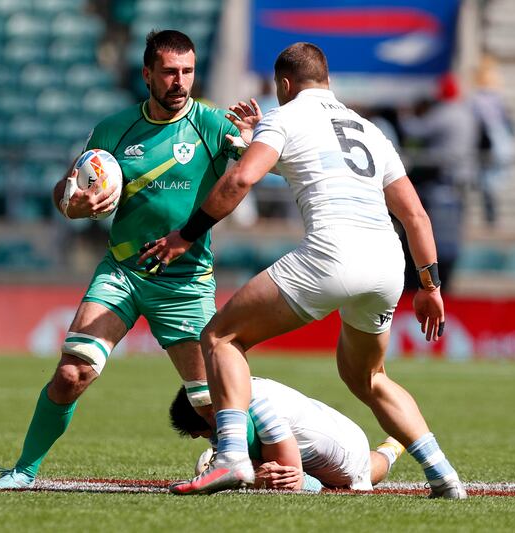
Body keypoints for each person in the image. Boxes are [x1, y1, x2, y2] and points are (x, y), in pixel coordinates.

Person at [140, 42, 467, 499]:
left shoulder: (285, 116)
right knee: (368, 377)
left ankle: (233, 457)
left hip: (332, 254)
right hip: (388, 265)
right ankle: (444, 475)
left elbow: (241, 179)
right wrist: (430, 285)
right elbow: (415, 215)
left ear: (286, 85)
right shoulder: (370, 131)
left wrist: (185, 236)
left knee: (220, 337)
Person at [0, 30, 250, 489]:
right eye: (170, 72)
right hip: (123, 274)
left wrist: (251, 139)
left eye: (187, 72)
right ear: (147, 74)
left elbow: (251, 167)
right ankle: (22, 471)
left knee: (212, 405)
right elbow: (66, 186)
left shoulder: (213, 126)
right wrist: (70, 202)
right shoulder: (113, 130)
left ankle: (283, 469)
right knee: (72, 373)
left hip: (185, 283)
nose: (179, 82)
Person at [170, 377, 406, 492]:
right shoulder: (227, 395)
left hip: (346, 449)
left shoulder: (260, 408)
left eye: (200, 432)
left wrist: (254, 480)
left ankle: (393, 448)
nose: (199, 438)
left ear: (209, 414)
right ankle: (393, 445)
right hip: (328, 424)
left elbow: (292, 481)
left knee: (357, 472)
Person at [398, 73, 477, 290]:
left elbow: (414, 130)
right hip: (458, 183)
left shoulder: (444, 112)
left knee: (427, 233)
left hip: (440, 181)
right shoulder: (466, 113)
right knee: (448, 240)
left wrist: (403, 113)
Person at [471, 55, 515, 227]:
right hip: (494, 138)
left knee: (489, 179)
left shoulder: (479, 100)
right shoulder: (495, 99)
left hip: (490, 139)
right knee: (489, 179)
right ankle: (490, 213)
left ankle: (490, 212)